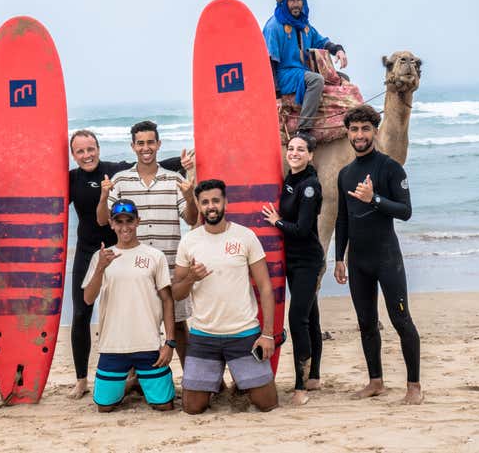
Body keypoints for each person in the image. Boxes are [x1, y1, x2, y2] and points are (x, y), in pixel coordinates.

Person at [67, 129, 191, 399]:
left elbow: (148, 161)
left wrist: (182, 166)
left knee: (170, 319)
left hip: (147, 255)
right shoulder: (73, 179)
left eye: (91, 149)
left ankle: (185, 377)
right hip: (103, 254)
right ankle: (87, 379)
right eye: (80, 151)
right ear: (73, 155)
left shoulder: (114, 171)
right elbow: (58, 206)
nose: (87, 155)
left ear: (99, 149)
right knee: (87, 314)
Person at [333, 105, 423, 405]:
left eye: (365, 129)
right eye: (355, 129)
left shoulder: (390, 168)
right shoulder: (345, 174)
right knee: (366, 323)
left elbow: (406, 211)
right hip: (358, 262)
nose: (360, 135)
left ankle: (413, 386)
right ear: (348, 133)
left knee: (401, 321)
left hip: (386, 258)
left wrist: (375, 199)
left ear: (375, 130)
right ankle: (376, 382)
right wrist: (338, 258)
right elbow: (342, 218)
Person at [97, 121, 198, 369]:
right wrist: (103, 195)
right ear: (133, 146)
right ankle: (135, 378)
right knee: (136, 323)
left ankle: (192, 378)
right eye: (140, 143)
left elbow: (192, 219)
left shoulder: (174, 179)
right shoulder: (120, 181)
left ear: (159, 144)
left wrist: (189, 196)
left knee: (178, 324)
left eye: (150, 142)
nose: (146, 148)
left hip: (171, 264)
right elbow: (102, 220)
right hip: (134, 269)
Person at [172, 179, 278, 414]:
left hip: (244, 334)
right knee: (192, 407)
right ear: (199, 206)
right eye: (206, 202)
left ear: (225, 203)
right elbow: (177, 293)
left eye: (216, 201)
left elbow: (265, 287)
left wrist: (268, 334)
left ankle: (241, 381)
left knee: (267, 403)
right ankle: (215, 381)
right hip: (204, 336)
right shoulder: (190, 241)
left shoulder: (245, 236)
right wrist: (191, 278)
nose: (211, 206)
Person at [82, 199, 176, 412]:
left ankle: (139, 380)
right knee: (105, 407)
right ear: (111, 224)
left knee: (164, 405)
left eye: (129, 221)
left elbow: (168, 299)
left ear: (138, 222)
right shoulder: (101, 257)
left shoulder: (154, 256)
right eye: (119, 221)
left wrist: (169, 343)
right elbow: (88, 298)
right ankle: (130, 383)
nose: (125, 226)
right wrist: (100, 268)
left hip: (148, 346)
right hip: (113, 346)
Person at [261, 133, 324, 405]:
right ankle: (315, 376)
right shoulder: (291, 179)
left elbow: (301, 229)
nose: (294, 153)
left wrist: (276, 222)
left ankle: (301, 386)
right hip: (291, 259)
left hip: (307, 260)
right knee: (311, 316)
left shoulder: (310, 186)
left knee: (297, 320)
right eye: (291, 148)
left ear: (311, 155)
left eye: (301, 150)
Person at [263, 0, 347, 133]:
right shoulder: (273, 26)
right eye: (292, 0)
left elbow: (322, 42)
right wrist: (276, 95)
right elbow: (269, 62)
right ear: (284, 3)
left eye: (299, 0)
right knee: (316, 80)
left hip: (301, 71)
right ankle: (304, 129)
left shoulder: (304, 26)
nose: (296, 4)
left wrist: (339, 50)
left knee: (341, 77)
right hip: (283, 74)